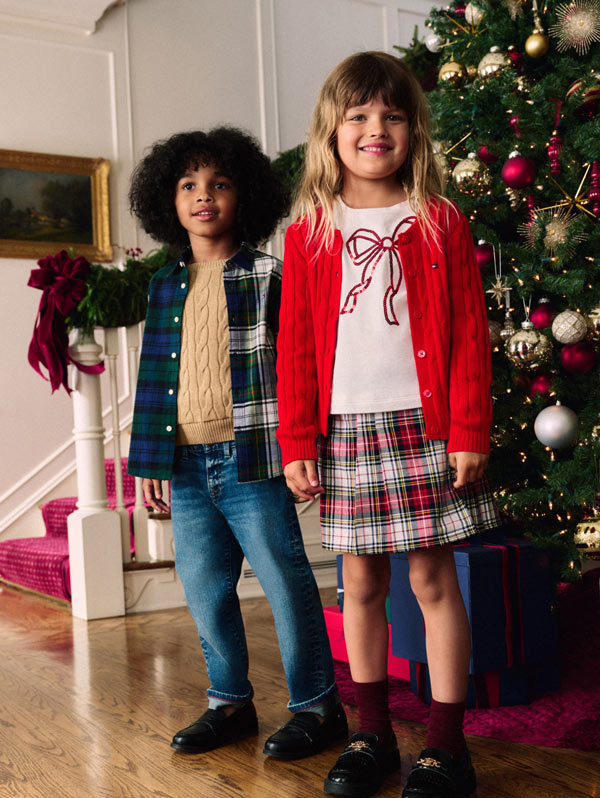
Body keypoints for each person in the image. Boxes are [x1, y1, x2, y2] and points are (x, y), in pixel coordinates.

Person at [276, 52, 499, 798]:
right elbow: (295, 344)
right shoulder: (310, 230)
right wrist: (297, 440)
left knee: (433, 578)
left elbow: (469, 335)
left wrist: (468, 429)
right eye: (359, 116)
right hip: (344, 430)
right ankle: (371, 735)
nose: (376, 129)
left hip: (425, 426)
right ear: (331, 131)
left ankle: (446, 747)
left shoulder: (440, 220)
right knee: (360, 580)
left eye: (392, 116)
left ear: (413, 130)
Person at [127, 127, 347, 761]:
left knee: (285, 581)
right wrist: (148, 460)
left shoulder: (270, 276)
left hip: (254, 458)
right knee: (204, 587)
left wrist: (303, 446)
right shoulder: (163, 285)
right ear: (168, 202)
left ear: (243, 196)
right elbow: (153, 376)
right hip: (185, 463)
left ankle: (317, 706)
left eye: (219, 184)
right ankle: (229, 702)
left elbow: (300, 367)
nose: (203, 196)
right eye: (188, 185)